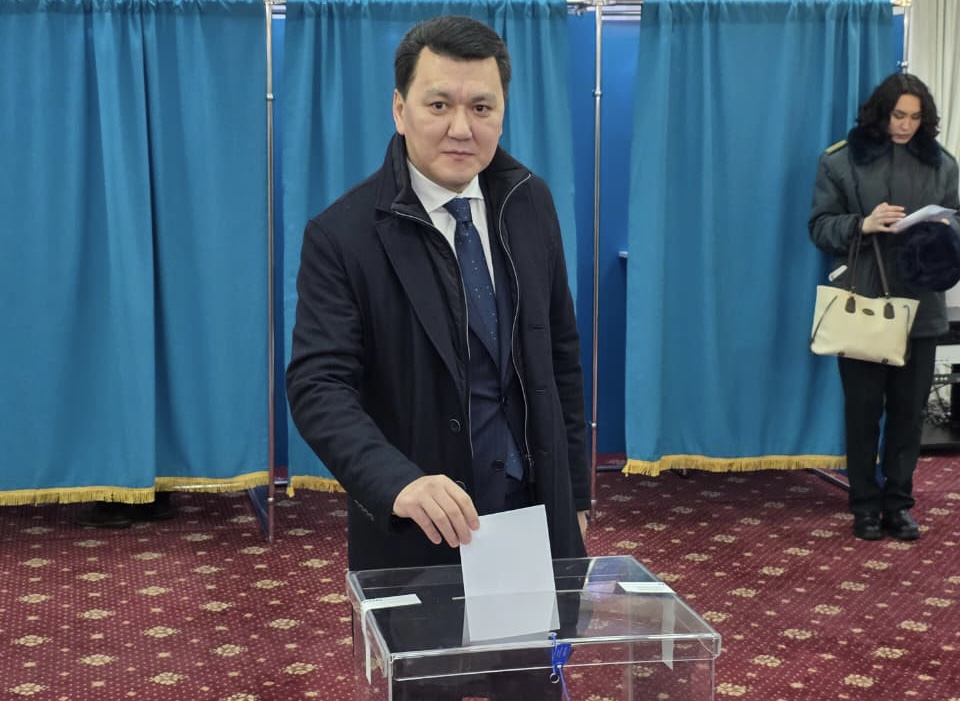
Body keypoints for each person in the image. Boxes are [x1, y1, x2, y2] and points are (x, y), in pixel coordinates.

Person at [286, 15, 588, 699]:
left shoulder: (529, 202)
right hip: (419, 528)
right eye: (439, 104)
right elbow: (318, 385)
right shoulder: (342, 235)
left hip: (525, 516)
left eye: (481, 107)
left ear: (502, 110)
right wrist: (400, 482)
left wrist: (574, 494)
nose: (461, 128)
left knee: (529, 686)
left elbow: (560, 356)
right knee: (430, 688)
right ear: (400, 109)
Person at [809, 73, 960, 541]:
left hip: (921, 305)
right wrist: (863, 223)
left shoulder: (943, 164)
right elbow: (819, 226)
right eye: (898, 115)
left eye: (915, 117)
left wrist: (942, 230)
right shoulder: (840, 160)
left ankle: (898, 504)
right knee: (863, 412)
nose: (906, 126)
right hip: (865, 302)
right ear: (881, 112)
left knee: (908, 414)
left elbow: (956, 220)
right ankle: (864, 507)